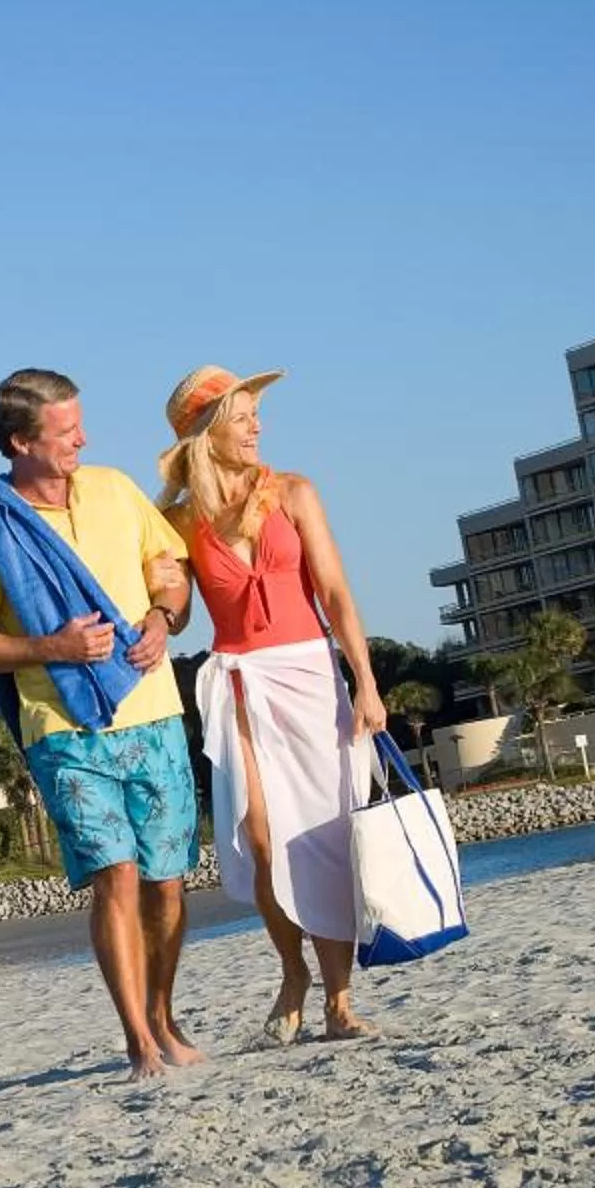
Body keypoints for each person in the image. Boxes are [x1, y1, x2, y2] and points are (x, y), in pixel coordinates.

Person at [0, 369, 201, 1079]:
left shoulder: (116, 490)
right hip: (61, 724)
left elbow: (171, 573)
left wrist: (160, 619)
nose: (82, 440)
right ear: (21, 441)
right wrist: (51, 647)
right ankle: (138, 1040)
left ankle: (164, 1012)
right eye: (65, 432)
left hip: (150, 709)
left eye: (79, 426)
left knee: (167, 880)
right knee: (114, 874)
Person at [155, 366, 388, 1045]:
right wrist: (157, 600)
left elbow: (336, 592)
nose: (258, 427)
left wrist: (366, 681)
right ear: (207, 431)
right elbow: (177, 611)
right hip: (238, 679)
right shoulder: (180, 519)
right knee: (260, 840)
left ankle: (339, 1000)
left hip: (311, 674)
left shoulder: (294, 492)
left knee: (323, 836)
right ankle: (295, 973)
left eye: (257, 414)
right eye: (242, 415)